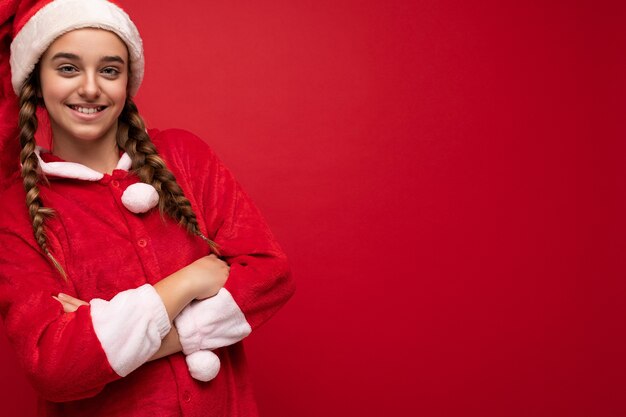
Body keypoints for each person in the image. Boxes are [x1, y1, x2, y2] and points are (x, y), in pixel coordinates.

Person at [0, 0, 295, 416]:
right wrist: (189, 281)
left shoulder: (184, 156)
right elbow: (55, 368)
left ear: (127, 82)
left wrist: (105, 331)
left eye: (109, 70)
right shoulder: (15, 210)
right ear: (36, 80)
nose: (90, 87)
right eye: (67, 68)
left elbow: (269, 274)